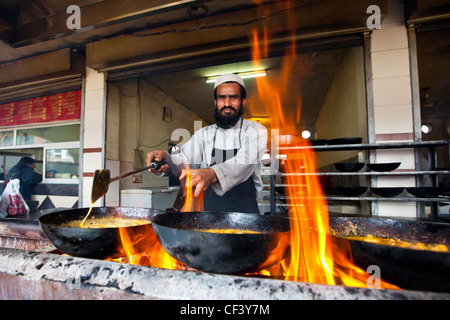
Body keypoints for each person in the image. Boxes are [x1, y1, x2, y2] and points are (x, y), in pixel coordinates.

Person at [146, 74, 268, 214]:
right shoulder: (204, 134)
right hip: (209, 213)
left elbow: (244, 162)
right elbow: (184, 161)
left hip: (245, 213)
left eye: (233, 97)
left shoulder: (255, 130)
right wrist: (165, 160)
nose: (227, 104)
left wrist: (211, 173)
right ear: (216, 102)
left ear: (243, 101)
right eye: (222, 97)